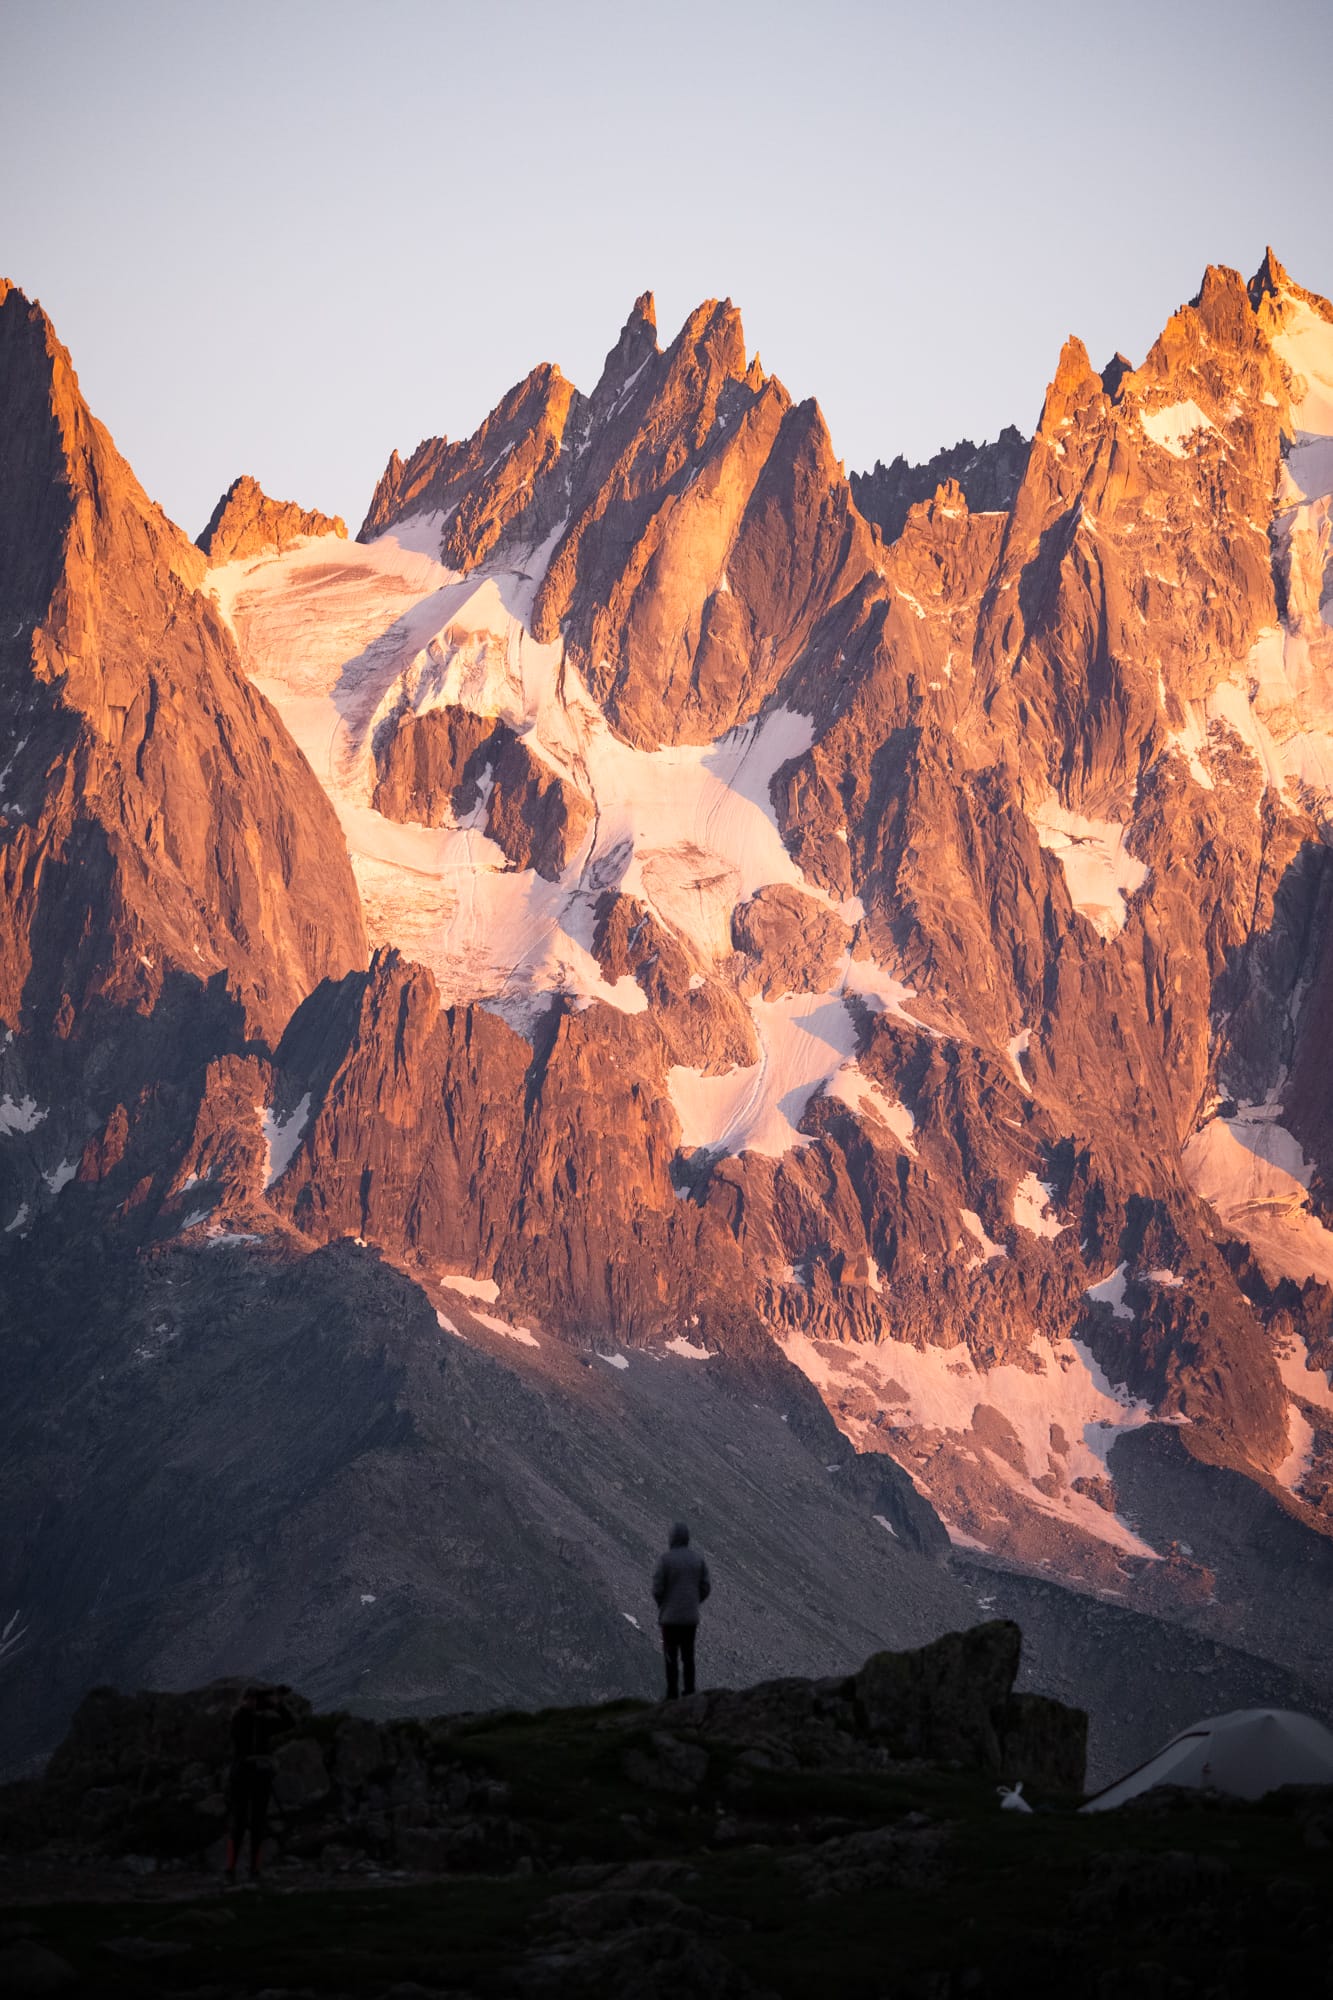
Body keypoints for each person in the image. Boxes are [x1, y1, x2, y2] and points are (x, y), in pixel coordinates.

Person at [225, 1685, 292, 1884]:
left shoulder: (260, 1721)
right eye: (251, 1699)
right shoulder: (242, 1719)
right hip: (245, 1775)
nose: (253, 1702)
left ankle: (251, 1868)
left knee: (256, 1824)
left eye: (255, 1699)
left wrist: (278, 1705)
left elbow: (289, 1723)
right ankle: (232, 1868)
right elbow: (240, 1729)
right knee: (240, 1823)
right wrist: (272, 1705)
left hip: (255, 1776)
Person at [651, 1521, 711, 1700]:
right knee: (688, 1655)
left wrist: (663, 1604)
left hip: (669, 1618)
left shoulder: (665, 1560)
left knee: (670, 1656)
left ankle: (672, 1694)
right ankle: (689, 1690)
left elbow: (657, 1588)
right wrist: (694, 1602)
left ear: (672, 1538)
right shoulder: (697, 1560)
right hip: (690, 1618)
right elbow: (705, 1586)